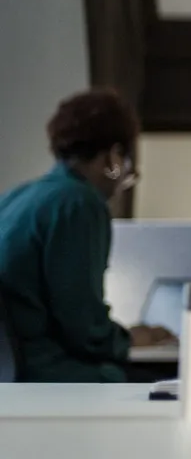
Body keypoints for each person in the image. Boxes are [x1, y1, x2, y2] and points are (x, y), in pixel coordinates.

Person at [0, 89, 175, 382]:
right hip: (50, 373)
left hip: (12, 375)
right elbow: (83, 327)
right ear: (114, 157)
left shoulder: (16, 198)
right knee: (169, 388)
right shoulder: (79, 203)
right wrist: (130, 338)